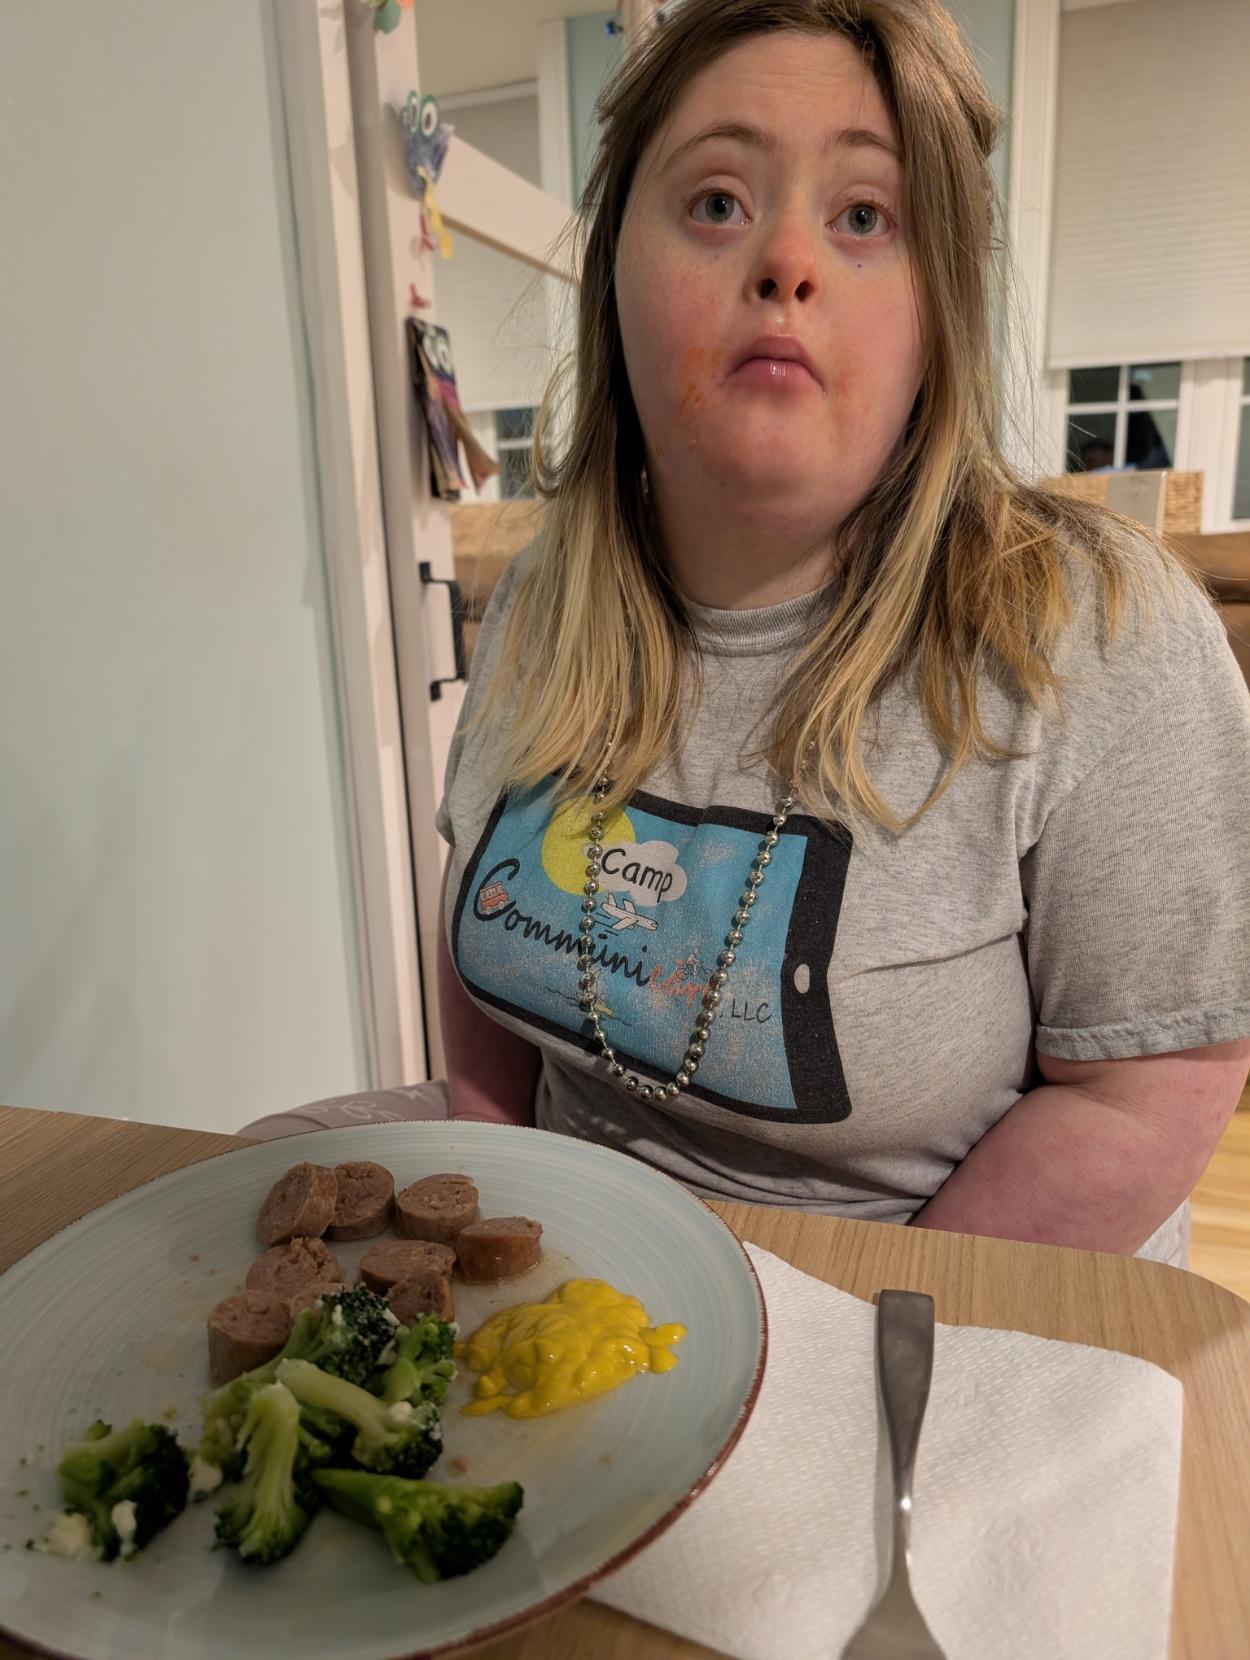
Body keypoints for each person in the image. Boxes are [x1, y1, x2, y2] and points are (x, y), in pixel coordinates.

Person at [429, 0, 1250, 1266]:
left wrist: (826, 1329)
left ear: (940, 308)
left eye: (864, 216)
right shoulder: (543, 594)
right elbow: (477, 953)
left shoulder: (1099, 632)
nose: (784, 261)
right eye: (716, 202)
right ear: (613, 276)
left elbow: (1153, 1085)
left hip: (927, 1308)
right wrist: (491, 1221)